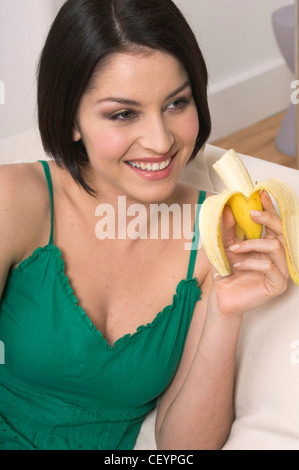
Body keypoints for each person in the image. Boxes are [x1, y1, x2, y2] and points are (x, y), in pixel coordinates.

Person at [0, 0, 288, 450]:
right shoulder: (15, 200)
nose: (161, 141)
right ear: (72, 118)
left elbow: (181, 450)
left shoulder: (217, 233)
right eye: (123, 113)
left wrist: (223, 312)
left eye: (177, 103)